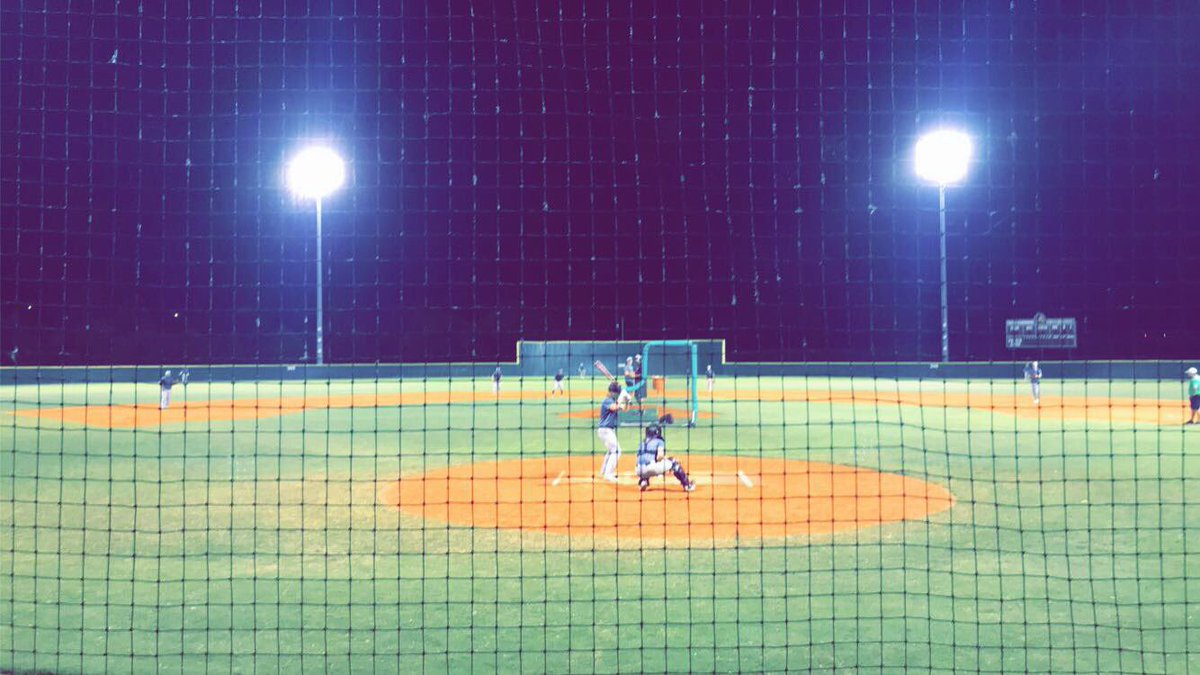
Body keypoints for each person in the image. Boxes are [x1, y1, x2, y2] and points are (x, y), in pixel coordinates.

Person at [635, 423, 695, 492]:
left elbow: (639, 457)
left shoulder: (642, 443)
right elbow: (659, 457)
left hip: (639, 470)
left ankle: (643, 481)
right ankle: (687, 486)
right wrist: (670, 458)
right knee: (674, 463)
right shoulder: (659, 441)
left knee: (648, 462)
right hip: (652, 468)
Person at [597, 381, 629, 482]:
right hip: (605, 429)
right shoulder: (607, 401)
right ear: (612, 392)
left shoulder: (613, 400)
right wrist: (622, 397)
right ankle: (608, 474)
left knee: (612, 450)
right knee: (617, 451)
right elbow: (614, 407)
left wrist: (627, 400)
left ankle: (604, 470)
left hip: (607, 430)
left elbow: (625, 409)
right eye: (617, 393)